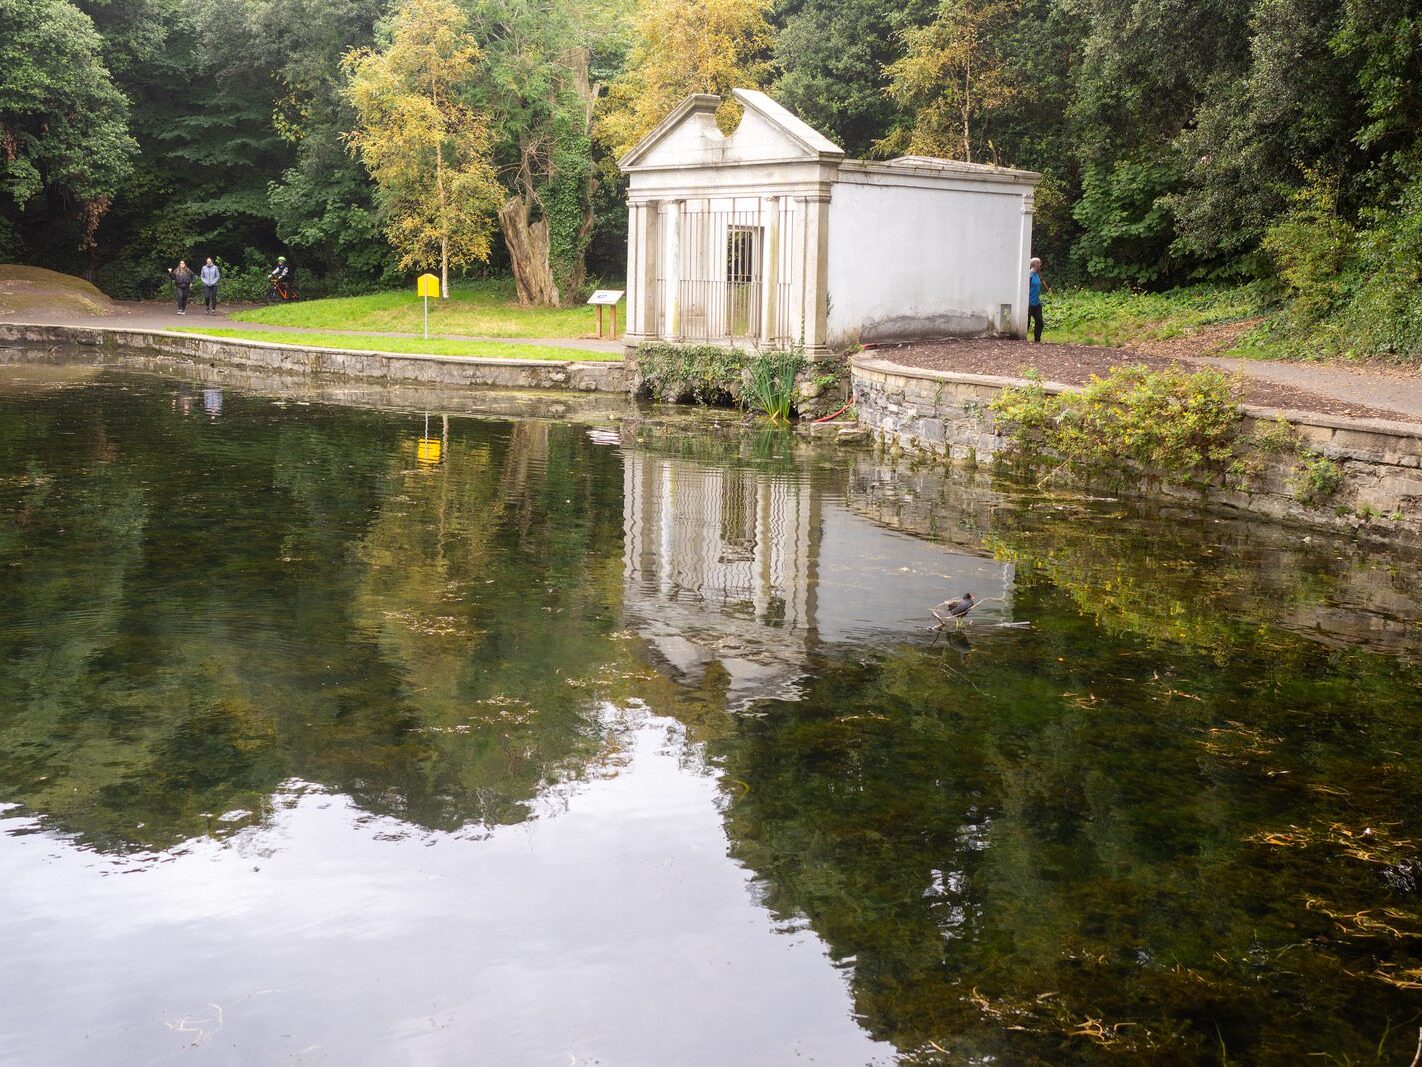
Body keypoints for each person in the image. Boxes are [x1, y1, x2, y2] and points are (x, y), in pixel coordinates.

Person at [1027, 257, 1046, 343]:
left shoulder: (1037, 275)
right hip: (1029, 303)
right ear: (1035, 264)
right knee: (1026, 322)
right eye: (1039, 263)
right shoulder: (1029, 276)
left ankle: (1037, 339)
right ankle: (1022, 339)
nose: (1040, 265)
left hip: (1037, 303)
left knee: (1039, 322)